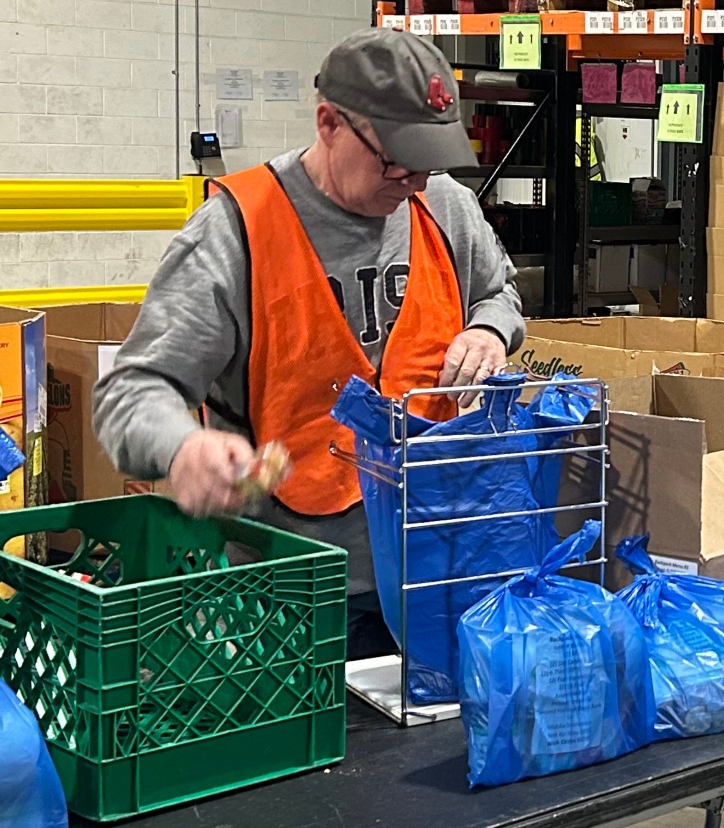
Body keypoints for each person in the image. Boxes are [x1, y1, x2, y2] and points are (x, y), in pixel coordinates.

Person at [92, 29, 525, 660]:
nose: (414, 180)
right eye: (396, 159)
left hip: (442, 570)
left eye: (429, 159)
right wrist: (181, 446)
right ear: (329, 123)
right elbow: (131, 392)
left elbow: (501, 292)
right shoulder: (238, 230)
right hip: (297, 600)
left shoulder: (445, 208)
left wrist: (490, 330)